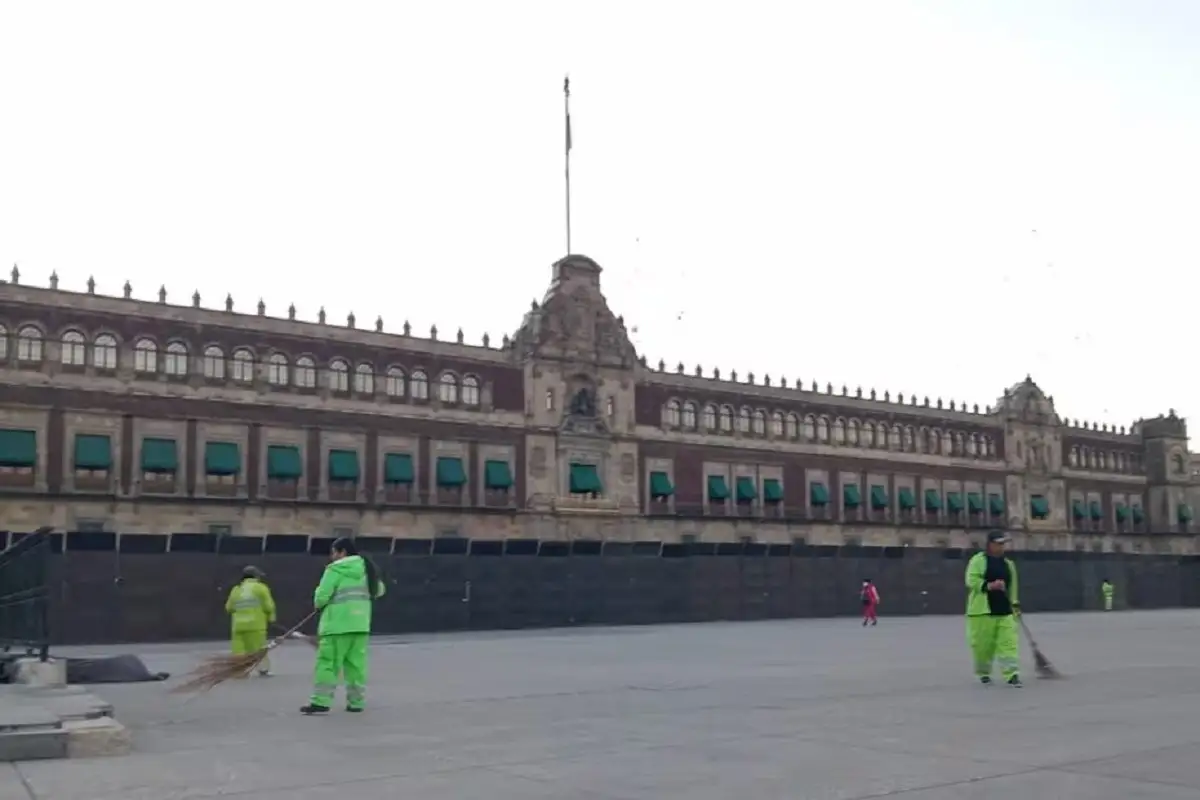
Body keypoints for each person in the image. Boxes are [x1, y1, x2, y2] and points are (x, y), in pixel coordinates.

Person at [301, 537, 387, 715]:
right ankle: (356, 703)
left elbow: (321, 597)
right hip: (360, 625)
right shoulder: (367, 568)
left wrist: (318, 604)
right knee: (356, 666)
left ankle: (321, 702)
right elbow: (379, 591)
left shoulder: (335, 569)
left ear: (342, 552)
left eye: (334, 552)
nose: (332, 557)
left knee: (328, 664)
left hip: (336, 625)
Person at [965, 531, 1022, 687]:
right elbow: (971, 579)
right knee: (983, 646)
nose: (1001, 547)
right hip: (983, 611)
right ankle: (984, 673)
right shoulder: (978, 561)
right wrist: (989, 586)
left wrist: (1015, 604)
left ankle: (1012, 674)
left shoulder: (1008, 564)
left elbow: (1013, 586)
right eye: (998, 543)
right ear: (990, 544)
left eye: (1003, 544)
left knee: (1009, 643)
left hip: (1005, 610)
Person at [224, 566, 276, 677]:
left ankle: (239, 671)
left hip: (238, 626)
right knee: (258, 648)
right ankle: (263, 669)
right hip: (255, 625)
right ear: (256, 576)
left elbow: (229, 608)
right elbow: (269, 607)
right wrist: (271, 618)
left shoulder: (236, 590)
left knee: (239, 650)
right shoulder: (260, 588)